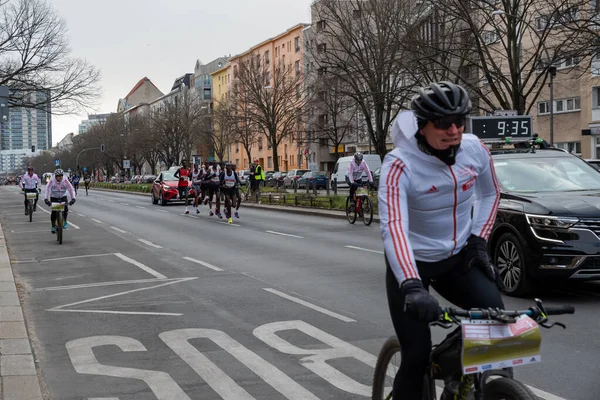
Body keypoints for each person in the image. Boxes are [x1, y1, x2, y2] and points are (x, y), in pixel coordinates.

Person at [378, 81, 502, 400]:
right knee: (416, 355)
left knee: (497, 324)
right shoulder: (399, 165)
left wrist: (478, 241)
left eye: (460, 121)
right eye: (444, 123)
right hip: (412, 265)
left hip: (458, 258)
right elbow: (394, 227)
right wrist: (412, 285)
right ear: (422, 127)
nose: (454, 130)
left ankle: (463, 382)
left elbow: (491, 192)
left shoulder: (475, 149)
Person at [44, 169, 76, 233]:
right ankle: (53, 226)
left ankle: (64, 221)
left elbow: (71, 189)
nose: (60, 177)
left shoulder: (65, 180)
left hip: (63, 196)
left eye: (61, 176)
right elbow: (47, 189)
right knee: (54, 212)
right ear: (55, 176)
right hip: (54, 196)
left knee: (66, 209)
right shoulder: (52, 180)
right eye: (58, 176)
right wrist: (46, 199)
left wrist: (73, 198)